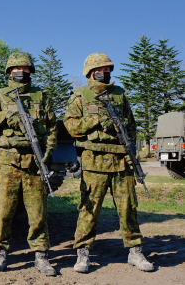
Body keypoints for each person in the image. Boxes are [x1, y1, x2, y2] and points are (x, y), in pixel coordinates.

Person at [64, 53, 154, 273]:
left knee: (128, 209)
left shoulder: (119, 94)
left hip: (121, 161)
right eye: (99, 69)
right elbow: (71, 127)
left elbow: (131, 126)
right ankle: (83, 253)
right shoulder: (79, 96)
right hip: (94, 161)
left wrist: (131, 151)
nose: (104, 72)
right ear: (89, 72)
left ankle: (135, 251)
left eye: (107, 69)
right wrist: (96, 120)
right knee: (89, 209)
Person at [0, 52, 58, 276]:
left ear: (31, 71)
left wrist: (48, 151)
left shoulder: (41, 96)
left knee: (38, 212)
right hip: (8, 160)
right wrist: (5, 116)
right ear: (9, 72)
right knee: (3, 210)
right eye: (16, 69)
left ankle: (41, 255)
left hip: (35, 159)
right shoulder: (0, 96)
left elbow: (52, 127)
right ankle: (0, 253)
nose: (21, 72)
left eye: (25, 69)